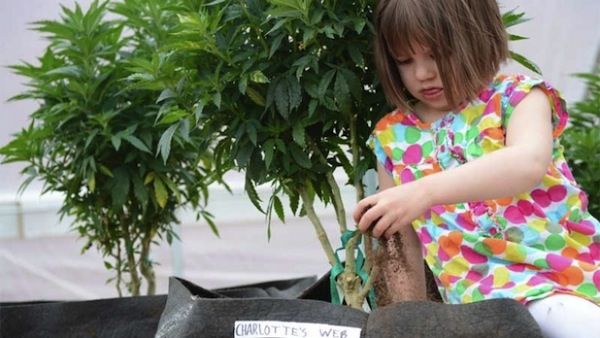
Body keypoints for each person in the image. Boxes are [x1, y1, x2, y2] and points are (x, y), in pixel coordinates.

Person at [352, 0, 600, 336]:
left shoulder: (517, 98)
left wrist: (423, 191)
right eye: (404, 61)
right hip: (479, 310)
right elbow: (403, 249)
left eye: (437, 54)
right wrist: (406, 321)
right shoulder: (392, 138)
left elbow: (527, 161)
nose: (423, 73)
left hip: (561, 280)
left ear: (477, 37)